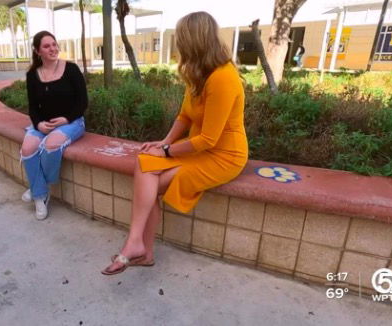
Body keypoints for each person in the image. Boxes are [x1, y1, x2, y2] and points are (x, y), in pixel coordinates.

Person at [102, 12, 248, 275]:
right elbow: (184, 116)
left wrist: (168, 151)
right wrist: (164, 141)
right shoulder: (198, 72)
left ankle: (139, 247)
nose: (177, 43)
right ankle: (138, 246)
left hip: (224, 156)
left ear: (192, 40)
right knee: (145, 162)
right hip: (199, 148)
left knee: (149, 179)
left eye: (180, 38)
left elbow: (208, 140)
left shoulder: (223, 77)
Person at [20, 31, 87, 220]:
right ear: (37, 51)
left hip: (72, 121)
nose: (53, 49)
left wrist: (66, 119)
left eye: (54, 44)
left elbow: (83, 102)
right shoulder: (33, 75)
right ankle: (40, 194)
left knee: (51, 145)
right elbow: (33, 107)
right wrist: (38, 124)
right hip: (43, 124)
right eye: (47, 46)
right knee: (27, 148)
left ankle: (37, 188)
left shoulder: (71, 69)